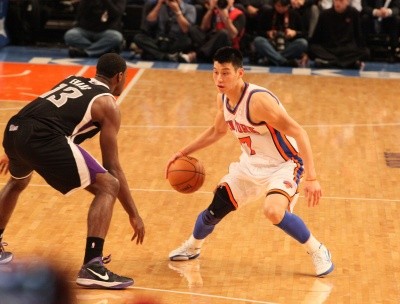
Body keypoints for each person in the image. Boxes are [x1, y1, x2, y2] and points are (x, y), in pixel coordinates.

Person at [165, 46, 334, 277]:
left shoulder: (258, 101)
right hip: (250, 164)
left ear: (240, 73)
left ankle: (318, 250)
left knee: (273, 211)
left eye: (225, 72)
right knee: (216, 208)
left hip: (283, 164)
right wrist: (182, 152)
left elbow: (299, 132)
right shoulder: (223, 99)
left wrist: (312, 178)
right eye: (215, 72)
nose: (219, 78)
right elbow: (217, 131)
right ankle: (193, 246)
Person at [0, 53, 145, 289]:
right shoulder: (108, 104)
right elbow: (113, 166)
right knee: (108, 185)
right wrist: (134, 213)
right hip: (42, 137)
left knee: (17, 183)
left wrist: (15, 148)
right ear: (119, 77)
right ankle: (93, 265)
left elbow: (43, 109)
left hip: (16, 127)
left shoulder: (72, 80)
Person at [178, 0, 246, 63]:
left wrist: (225, 17)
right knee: (194, 29)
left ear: (233, 1)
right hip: (212, 42)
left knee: (223, 33)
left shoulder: (239, 14)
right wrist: (210, 9)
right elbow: (203, 27)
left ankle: (195, 55)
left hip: (227, 46)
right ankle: (204, 54)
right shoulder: (215, 11)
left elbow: (233, 34)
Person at [309, 0, 370, 69]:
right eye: (336, 0)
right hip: (329, 49)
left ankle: (330, 63)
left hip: (347, 50)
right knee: (312, 49)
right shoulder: (325, 14)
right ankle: (347, 63)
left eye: (341, 1)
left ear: (347, 2)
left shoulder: (354, 13)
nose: (337, 3)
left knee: (366, 52)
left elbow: (358, 36)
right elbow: (315, 38)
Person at [252, 0, 309, 66]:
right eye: (278, 6)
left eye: (283, 7)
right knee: (258, 40)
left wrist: (295, 33)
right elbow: (258, 32)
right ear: (274, 4)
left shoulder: (295, 14)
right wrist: (267, 33)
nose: (280, 8)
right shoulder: (267, 13)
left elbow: (304, 33)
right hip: (271, 44)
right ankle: (283, 61)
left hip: (288, 45)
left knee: (302, 43)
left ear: (288, 6)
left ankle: (272, 58)